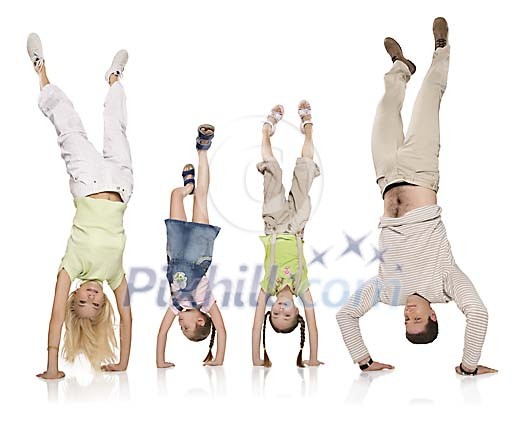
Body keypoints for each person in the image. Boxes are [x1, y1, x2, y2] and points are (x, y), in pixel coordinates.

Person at [336, 17, 497, 376]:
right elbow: (478, 313)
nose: (409, 313)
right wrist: (469, 366)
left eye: (406, 321)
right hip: (422, 172)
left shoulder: (387, 292)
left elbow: (345, 315)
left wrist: (364, 362)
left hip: (386, 178)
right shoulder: (445, 283)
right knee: (428, 98)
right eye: (418, 318)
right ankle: (441, 50)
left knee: (384, 110)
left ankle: (399, 68)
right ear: (433, 313)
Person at [28, 33, 133, 379]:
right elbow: (128, 317)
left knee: (68, 125)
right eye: (96, 304)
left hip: (87, 183)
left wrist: (52, 367)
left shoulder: (69, 268)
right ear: (104, 305)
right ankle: (115, 78)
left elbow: (56, 318)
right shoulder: (114, 277)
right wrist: (122, 363)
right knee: (115, 125)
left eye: (82, 302)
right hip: (120, 185)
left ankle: (41, 73)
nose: (90, 297)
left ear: (73, 296)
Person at [251, 101, 323, 368]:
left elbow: (257, 323)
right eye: (288, 314)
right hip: (297, 227)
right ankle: (309, 130)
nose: (281, 309)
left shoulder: (267, 287)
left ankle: (266, 132)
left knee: (273, 170)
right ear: (296, 311)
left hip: (273, 222)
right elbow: (313, 325)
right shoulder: (302, 288)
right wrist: (312, 358)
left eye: (276, 314)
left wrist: (258, 359)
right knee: (305, 171)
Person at [156, 126, 227, 367]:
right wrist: (218, 359)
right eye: (187, 328)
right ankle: (203, 150)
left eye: (181, 329)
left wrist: (160, 362)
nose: (180, 326)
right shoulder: (206, 303)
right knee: (201, 198)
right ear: (200, 321)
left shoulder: (174, 306)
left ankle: (187, 186)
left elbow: (162, 333)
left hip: (175, 250)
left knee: (175, 196)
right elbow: (222, 330)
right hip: (199, 252)